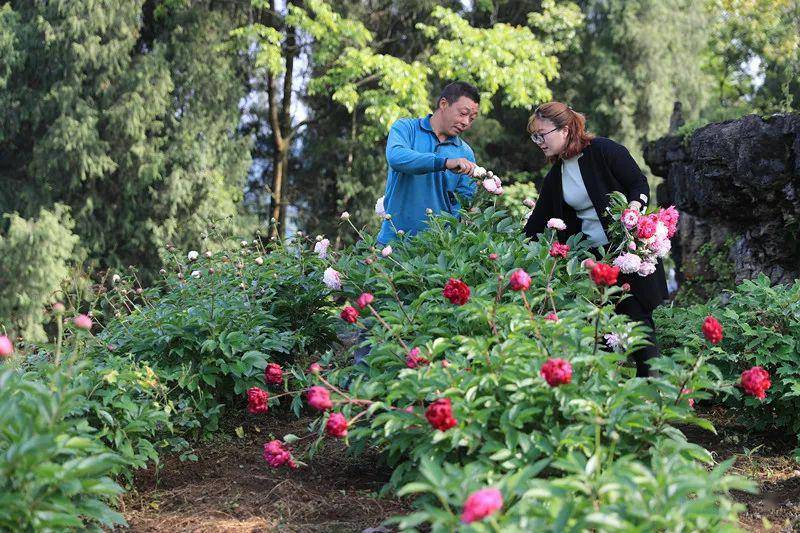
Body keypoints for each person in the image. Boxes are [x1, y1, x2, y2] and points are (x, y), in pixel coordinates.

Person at [523, 101, 668, 377]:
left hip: (626, 251)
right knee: (597, 329)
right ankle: (604, 395)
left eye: (542, 134)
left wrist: (634, 209)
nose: (538, 141)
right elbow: (536, 224)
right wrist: (515, 254)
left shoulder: (603, 150)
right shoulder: (557, 174)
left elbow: (639, 183)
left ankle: (653, 390)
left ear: (565, 130)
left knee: (636, 320)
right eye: (535, 136)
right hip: (592, 261)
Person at [376, 81, 481, 245]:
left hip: (436, 251)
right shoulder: (406, 128)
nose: (466, 122)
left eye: (472, 118)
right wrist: (444, 163)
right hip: (393, 244)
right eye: (463, 113)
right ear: (444, 104)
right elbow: (396, 157)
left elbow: (465, 204)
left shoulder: (465, 152)